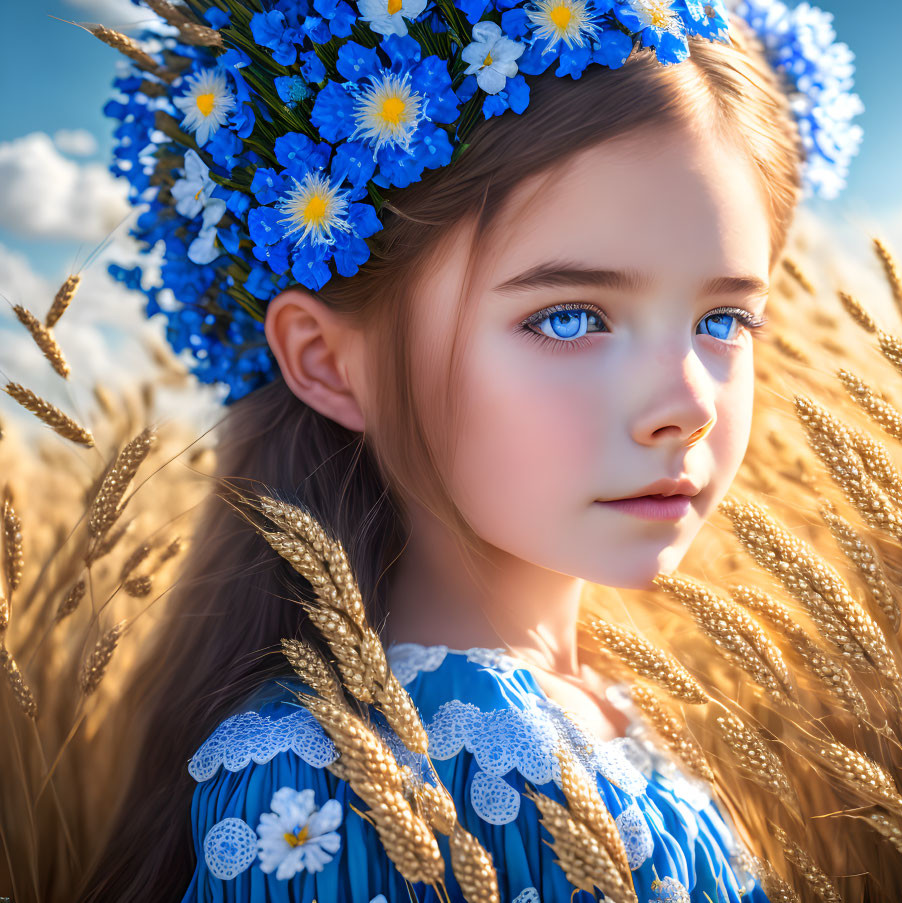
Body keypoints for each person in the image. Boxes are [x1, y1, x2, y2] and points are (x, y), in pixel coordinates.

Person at [76, 0, 862, 899]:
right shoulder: (341, 789)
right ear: (330, 363)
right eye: (569, 317)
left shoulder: (609, 709)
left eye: (723, 319)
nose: (686, 407)